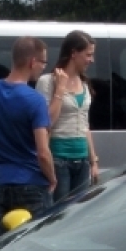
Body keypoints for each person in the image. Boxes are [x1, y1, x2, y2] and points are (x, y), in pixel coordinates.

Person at [0, 37, 56, 240]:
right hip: (32, 184)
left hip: (3, 182)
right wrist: (52, 177)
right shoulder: (35, 100)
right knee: (34, 246)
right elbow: (42, 152)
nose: (43, 68)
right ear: (33, 62)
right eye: (43, 63)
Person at [34, 30, 100, 200]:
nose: (91, 60)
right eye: (88, 55)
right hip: (58, 158)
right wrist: (60, 90)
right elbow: (46, 121)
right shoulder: (47, 81)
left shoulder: (84, 84)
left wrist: (93, 161)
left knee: (77, 214)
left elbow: (85, 126)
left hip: (82, 159)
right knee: (59, 213)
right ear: (73, 53)